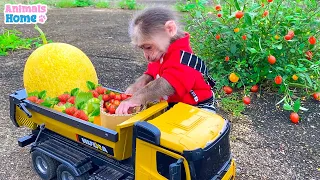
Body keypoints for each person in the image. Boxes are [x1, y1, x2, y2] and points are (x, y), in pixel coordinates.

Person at [115, 7, 216, 114]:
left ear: (170, 29)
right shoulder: (161, 50)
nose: (146, 56)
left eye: (148, 47)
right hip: (175, 103)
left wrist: (136, 98)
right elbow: (151, 73)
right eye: (142, 48)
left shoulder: (183, 58)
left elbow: (167, 84)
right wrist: (136, 86)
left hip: (197, 105)